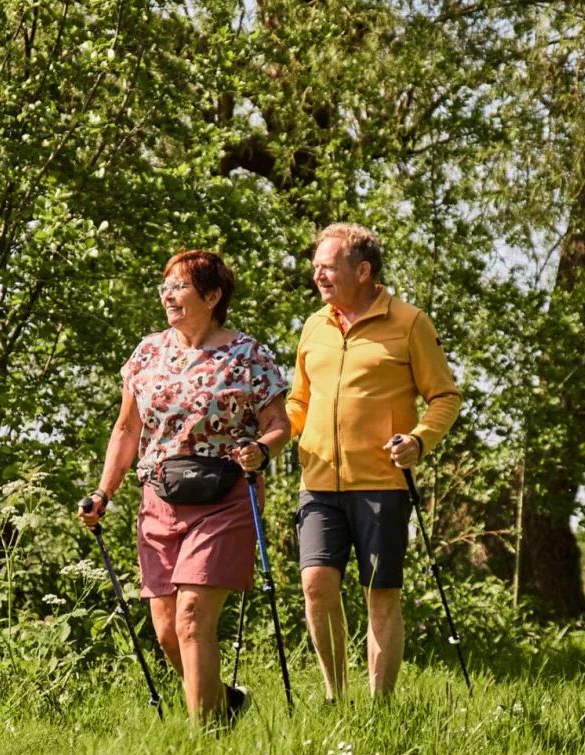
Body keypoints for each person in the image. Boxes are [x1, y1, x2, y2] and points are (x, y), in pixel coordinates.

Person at [79, 250, 290, 722]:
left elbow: (279, 422)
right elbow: (126, 430)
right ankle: (224, 704)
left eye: (179, 287)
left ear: (212, 296)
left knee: (193, 617)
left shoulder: (248, 354)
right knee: (168, 631)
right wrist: (103, 492)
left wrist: (262, 449)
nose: (168, 296)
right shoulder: (147, 353)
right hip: (160, 497)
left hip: (225, 496)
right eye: (166, 286)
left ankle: (205, 740)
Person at [287, 223, 462, 700]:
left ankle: (379, 705)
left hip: (382, 483)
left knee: (379, 594)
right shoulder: (314, 326)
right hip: (319, 481)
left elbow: (445, 396)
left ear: (363, 270)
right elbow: (298, 403)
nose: (318, 274)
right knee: (316, 585)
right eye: (316, 265)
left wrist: (419, 440)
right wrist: (270, 434)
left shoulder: (408, 322)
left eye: (328, 266)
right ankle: (334, 697)